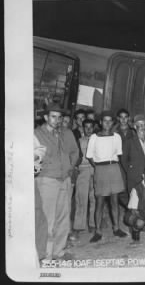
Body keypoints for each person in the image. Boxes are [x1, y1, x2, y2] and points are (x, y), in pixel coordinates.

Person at [34, 103, 80, 260]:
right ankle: (45, 255)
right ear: (46, 117)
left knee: (63, 218)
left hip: (65, 179)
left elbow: (75, 152)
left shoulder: (66, 133)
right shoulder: (37, 134)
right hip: (47, 180)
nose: (57, 120)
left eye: (60, 117)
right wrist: (45, 169)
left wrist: (69, 167)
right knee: (47, 219)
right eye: (53, 116)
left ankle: (58, 252)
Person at [86, 110, 127, 243]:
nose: (107, 123)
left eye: (110, 121)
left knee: (114, 200)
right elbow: (90, 156)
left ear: (113, 123)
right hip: (100, 169)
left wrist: (113, 168)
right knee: (100, 201)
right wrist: (98, 167)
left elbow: (119, 155)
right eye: (105, 120)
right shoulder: (94, 137)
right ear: (100, 122)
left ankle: (116, 228)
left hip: (114, 168)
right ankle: (98, 231)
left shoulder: (116, 137)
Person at [71, 119, 96, 238]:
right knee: (81, 199)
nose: (89, 129)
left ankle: (93, 224)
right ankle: (78, 226)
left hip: (96, 170)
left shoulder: (98, 140)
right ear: (83, 128)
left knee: (94, 198)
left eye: (91, 127)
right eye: (86, 127)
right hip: (83, 170)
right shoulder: (79, 141)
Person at [126, 115, 145, 193]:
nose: (142, 127)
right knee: (134, 201)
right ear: (135, 127)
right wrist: (131, 171)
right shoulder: (129, 142)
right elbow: (124, 160)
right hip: (134, 177)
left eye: (144, 124)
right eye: (139, 125)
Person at [34, 135, 48, 261]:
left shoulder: (28, 134)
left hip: (29, 177)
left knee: (39, 216)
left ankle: (40, 255)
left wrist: (35, 157)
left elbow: (39, 150)